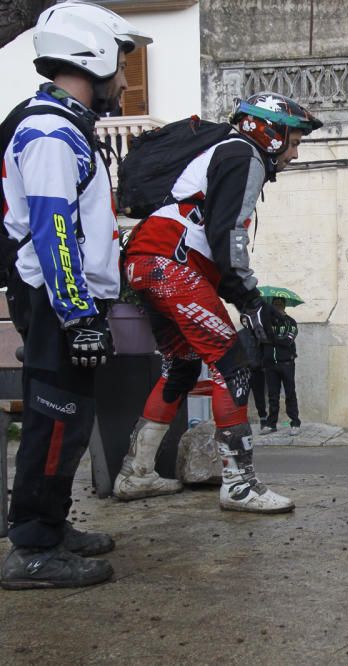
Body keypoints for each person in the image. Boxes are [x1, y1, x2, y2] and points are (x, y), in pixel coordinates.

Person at [0, 1, 151, 590]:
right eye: (120, 66)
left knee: (70, 413)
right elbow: (52, 226)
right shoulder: (49, 132)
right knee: (55, 419)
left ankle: (52, 526)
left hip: (65, 302)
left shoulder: (60, 127)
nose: (121, 80)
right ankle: (32, 549)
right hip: (56, 302)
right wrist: (75, 314)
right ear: (94, 53)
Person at [112, 92, 322, 513]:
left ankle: (137, 473)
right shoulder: (244, 155)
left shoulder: (225, 153)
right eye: (295, 141)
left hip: (148, 262)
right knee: (233, 363)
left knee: (183, 365)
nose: (296, 153)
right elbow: (229, 236)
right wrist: (250, 299)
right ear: (271, 132)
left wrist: (244, 296)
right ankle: (240, 484)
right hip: (171, 264)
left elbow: (216, 241)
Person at [261, 296, 300, 436]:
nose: (277, 307)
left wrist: (272, 339)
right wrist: (275, 339)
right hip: (270, 364)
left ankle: (295, 422)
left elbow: (287, 341)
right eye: (274, 305)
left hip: (286, 363)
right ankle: (272, 424)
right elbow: (261, 339)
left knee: (290, 393)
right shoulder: (267, 322)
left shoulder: (291, 322)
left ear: (284, 306)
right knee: (273, 396)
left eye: (279, 305)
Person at [238, 326, 267, 427]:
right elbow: (237, 352)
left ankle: (263, 419)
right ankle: (240, 420)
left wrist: (262, 365)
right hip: (244, 371)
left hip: (257, 370)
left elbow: (264, 350)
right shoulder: (240, 334)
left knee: (259, 396)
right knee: (241, 397)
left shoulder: (260, 333)